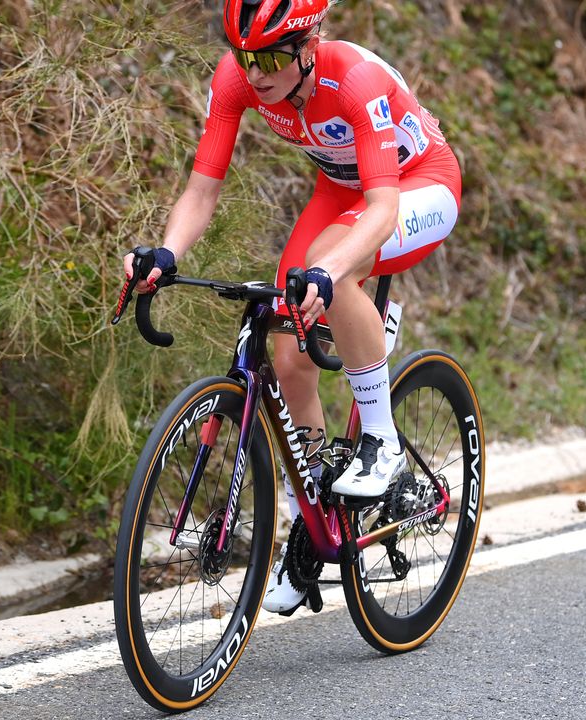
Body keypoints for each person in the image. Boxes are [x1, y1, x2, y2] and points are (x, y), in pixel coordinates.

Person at [121, 0, 461, 614]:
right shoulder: (237, 79)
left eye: (273, 56)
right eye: (246, 56)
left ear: (310, 44)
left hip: (418, 186)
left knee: (335, 266)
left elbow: (382, 211)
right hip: (340, 191)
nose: (256, 73)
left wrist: (332, 269)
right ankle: (315, 520)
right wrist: (165, 254)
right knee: (289, 353)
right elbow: (202, 189)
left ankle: (380, 441)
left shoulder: (355, 80)